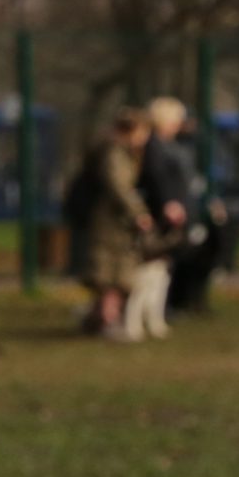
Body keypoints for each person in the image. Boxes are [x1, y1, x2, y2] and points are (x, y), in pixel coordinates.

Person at [74, 109, 153, 338]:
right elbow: (118, 186)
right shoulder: (115, 153)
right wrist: (138, 212)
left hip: (113, 219)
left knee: (111, 272)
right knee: (113, 273)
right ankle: (108, 321)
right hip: (112, 222)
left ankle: (97, 318)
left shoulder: (114, 150)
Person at [127, 96, 192, 340]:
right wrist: (169, 204)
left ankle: (156, 315)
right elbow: (158, 179)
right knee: (150, 273)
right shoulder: (154, 147)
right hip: (162, 216)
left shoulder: (168, 145)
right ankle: (140, 318)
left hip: (173, 212)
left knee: (161, 273)